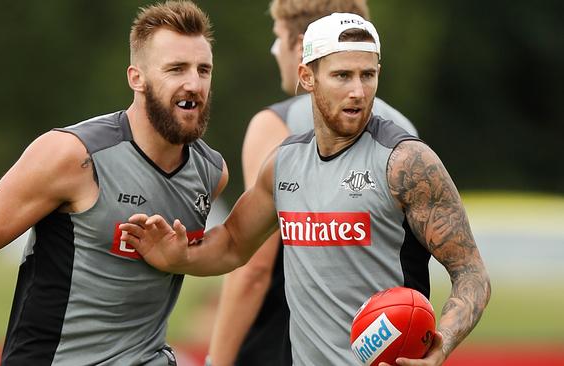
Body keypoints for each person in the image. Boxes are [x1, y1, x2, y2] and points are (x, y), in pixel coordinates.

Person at [120, 13, 491, 366]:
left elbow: (471, 272)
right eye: (342, 75)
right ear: (307, 76)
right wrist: (175, 258)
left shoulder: (406, 162)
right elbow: (233, 244)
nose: (358, 92)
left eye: (368, 75)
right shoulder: (284, 163)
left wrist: (443, 341)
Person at [0, 1, 227, 365]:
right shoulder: (70, 156)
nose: (194, 83)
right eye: (176, 69)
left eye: (203, 70)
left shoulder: (211, 172)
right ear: (136, 78)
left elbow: (231, 248)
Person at [208, 1, 418, 365]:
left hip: (285, 345)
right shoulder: (404, 132)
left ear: (303, 45)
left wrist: (217, 360)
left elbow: (255, 268)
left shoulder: (275, 124)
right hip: (388, 345)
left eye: (278, 37)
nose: (275, 50)